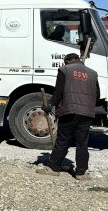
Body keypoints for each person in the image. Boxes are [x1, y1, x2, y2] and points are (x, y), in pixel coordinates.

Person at [36, 53, 100, 181]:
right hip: (87, 113)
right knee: (82, 143)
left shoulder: (65, 70)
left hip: (69, 110)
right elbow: (97, 95)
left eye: (65, 62)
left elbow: (59, 91)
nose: (65, 64)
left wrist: (51, 104)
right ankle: (81, 173)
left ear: (69, 61)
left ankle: (54, 168)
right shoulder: (93, 73)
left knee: (63, 140)